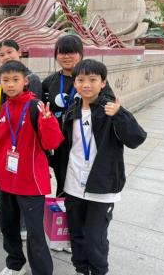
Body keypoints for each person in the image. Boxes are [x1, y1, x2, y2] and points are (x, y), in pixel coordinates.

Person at [62, 59, 146, 275]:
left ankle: (99, 271)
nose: (86, 85)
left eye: (92, 80)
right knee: (76, 234)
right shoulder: (72, 111)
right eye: (81, 80)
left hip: (102, 187)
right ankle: (81, 269)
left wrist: (120, 114)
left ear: (103, 83)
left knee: (95, 237)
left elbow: (136, 139)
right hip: (74, 184)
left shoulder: (110, 110)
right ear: (74, 83)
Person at [0, 60, 63, 275]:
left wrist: (48, 121)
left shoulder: (35, 106)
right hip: (6, 180)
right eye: (6, 80)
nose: (10, 84)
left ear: (25, 81)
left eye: (15, 79)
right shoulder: (2, 109)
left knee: (35, 233)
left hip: (31, 182)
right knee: (8, 227)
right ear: (1, 82)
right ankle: (15, 264)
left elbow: (52, 143)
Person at [42, 35, 114, 200]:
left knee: (85, 180)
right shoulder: (49, 82)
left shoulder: (93, 80)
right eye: (62, 52)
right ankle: (63, 213)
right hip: (60, 143)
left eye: (71, 52)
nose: (66, 57)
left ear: (81, 54)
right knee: (62, 181)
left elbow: (108, 104)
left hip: (84, 140)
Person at [0, 39, 43, 239]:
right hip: (8, 140)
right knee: (9, 186)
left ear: (19, 52)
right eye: (2, 54)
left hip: (24, 142)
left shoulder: (30, 78)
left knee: (23, 188)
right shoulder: (3, 79)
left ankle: (24, 226)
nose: (6, 56)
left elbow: (32, 108)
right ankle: (12, 224)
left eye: (10, 52)